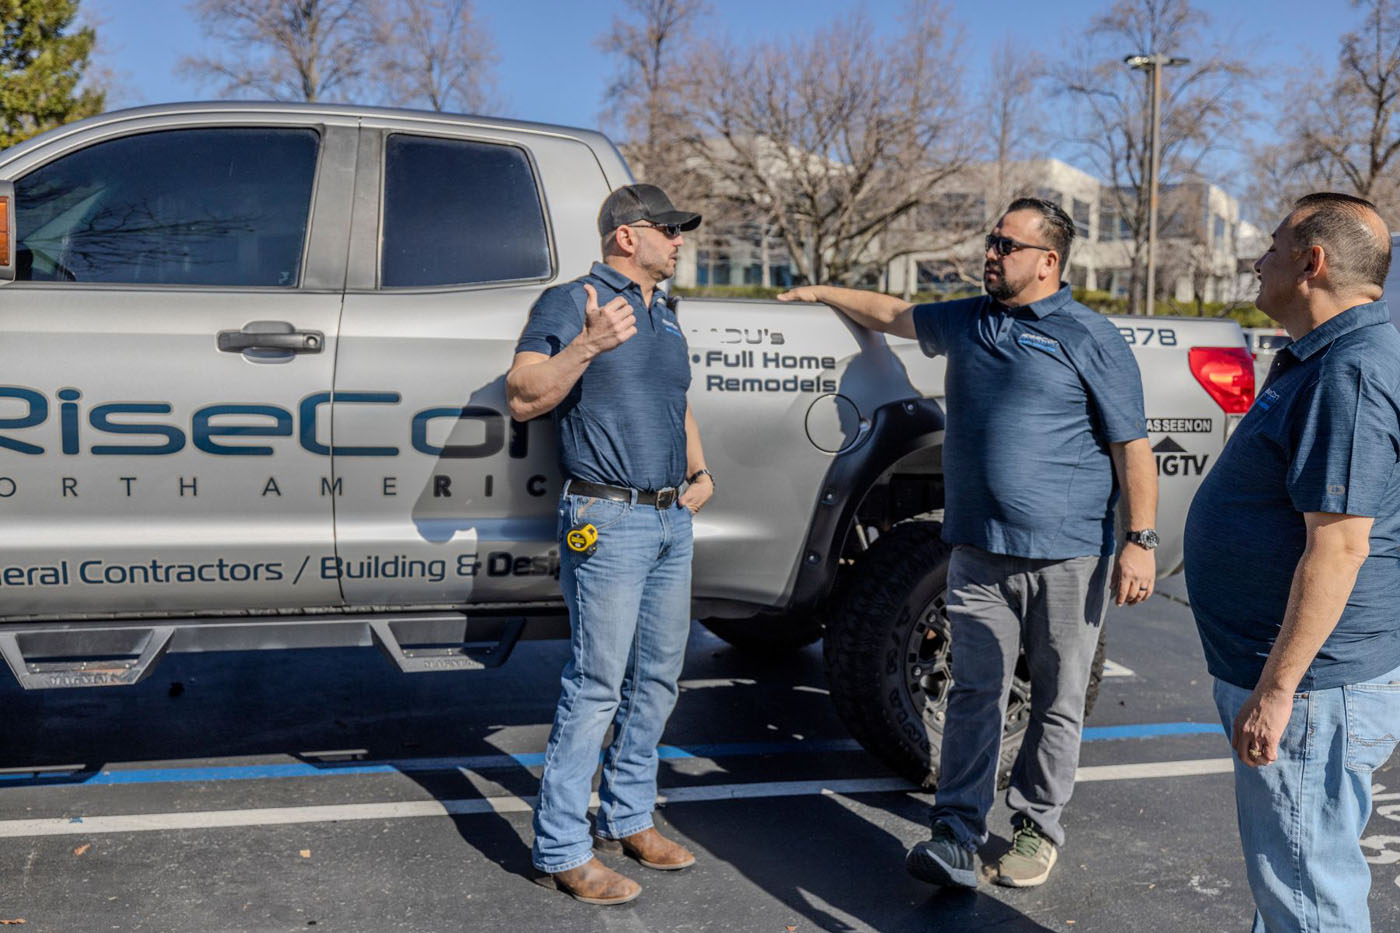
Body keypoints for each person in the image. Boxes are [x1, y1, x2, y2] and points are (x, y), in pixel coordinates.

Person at [779, 197, 1158, 888]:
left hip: (1069, 555)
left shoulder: (1088, 336)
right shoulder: (969, 320)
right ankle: (955, 831)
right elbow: (893, 314)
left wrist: (1140, 541)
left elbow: (1132, 447)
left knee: (1056, 696)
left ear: (1048, 261)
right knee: (973, 692)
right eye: (991, 240)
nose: (991, 252)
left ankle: (1037, 827)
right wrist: (819, 292)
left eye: (1006, 244)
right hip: (978, 552)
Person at [1183, 192, 1400, 932]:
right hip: (1302, 681)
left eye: (1272, 246)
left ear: (1313, 263)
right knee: (1294, 885)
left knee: (1309, 897)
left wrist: (1278, 692)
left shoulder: (1351, 372)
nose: (1256, 259)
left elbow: (1339, 544)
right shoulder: (1327, 358)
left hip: (1310, 687)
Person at [506, 183, 714, 906]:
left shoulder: (666, 314)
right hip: (606, 518)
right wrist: (589, 344)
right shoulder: (570, 302)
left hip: (667, 520)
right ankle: (563, 846)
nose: (680, 240)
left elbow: (675, 397)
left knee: (657, 679)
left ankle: (629, 818)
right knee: (596, 684)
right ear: (627, 235)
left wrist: (699, 468)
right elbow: (523, 391)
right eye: (670, 229)